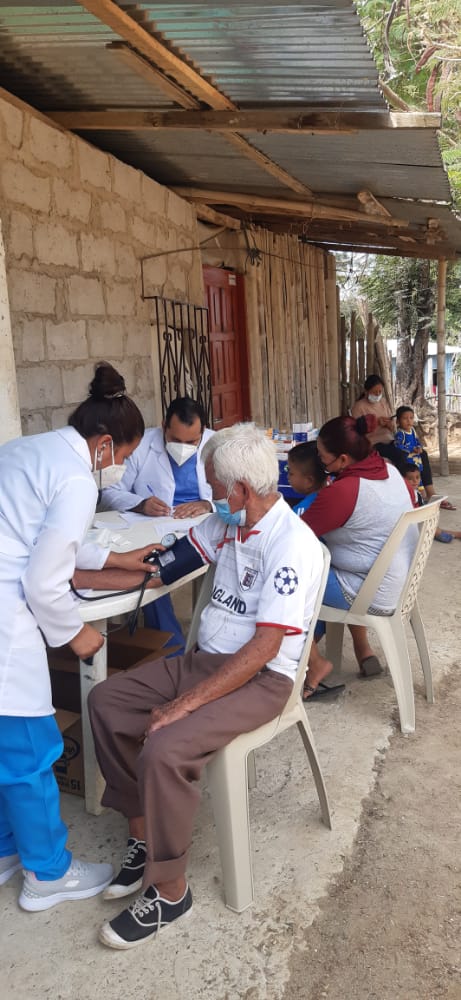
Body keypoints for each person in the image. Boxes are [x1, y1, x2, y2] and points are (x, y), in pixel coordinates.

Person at [87, 423, 324, 950]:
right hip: (207, 662)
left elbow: (265, 648)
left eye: (215, 487)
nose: (210, 496)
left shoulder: (292, 545)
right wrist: (85, 577)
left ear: (239, 490)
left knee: (165, 745)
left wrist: (183, 706)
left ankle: (170, 891)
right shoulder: (225, 524)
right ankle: (144, 835)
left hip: (262, 679)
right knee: (106, 700)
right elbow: (163, 569)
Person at [0, 362, 157, 913]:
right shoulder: (74, 478)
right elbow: (45, 579)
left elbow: (47, 537)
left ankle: (6, 849)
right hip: (6, 622)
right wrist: (76, 633)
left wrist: (115, 557)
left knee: (3, 748)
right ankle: (48, 874)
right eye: (124, 457)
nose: (120, 468)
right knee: (29, 749)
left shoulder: (29, 449)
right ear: (105, 443)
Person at [301, 414, 418, 696]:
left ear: (342, 460)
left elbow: (294, 537)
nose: (321, 463)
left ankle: (310, 662)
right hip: (398, 579)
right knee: (332, 562)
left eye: (322, 458)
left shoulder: (343, 492)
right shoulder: (389, 470)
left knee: (287, 577)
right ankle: (362, 648)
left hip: (370, 590)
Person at [100, 396, 215, 653]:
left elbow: (236, 494)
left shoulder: (217, 445)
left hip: (203, 527)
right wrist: (140, 504)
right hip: (154, 527)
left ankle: (211, 645)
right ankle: (172, 649)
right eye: (175, 440)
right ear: (163, 426)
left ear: (203, 432)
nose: (183, 448)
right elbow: (109, 492)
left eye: (191, 442)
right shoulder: (142, 446)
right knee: (151, 568)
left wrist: (208, 504)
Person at [395, 405, 455, 510]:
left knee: (420, 480)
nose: (408, 421)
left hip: (417, 462)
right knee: (413, 483)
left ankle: (427, 498)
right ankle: (418, 502)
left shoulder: (412, 430)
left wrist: (419, 447)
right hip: (409, 462)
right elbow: (397, 445)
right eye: (405, 418)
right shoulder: (400, 434)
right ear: (398, 421)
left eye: (411, 418)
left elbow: (417, 441)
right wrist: (411, 449)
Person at [351, 374, 407, 473]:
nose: (377, 395)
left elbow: (393, 427)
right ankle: (402, 480)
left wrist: (389, 424)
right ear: (366, 391)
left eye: (380, 392)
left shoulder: (383, 402)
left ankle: (424, 483)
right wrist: (376, 423)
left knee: (418, 453)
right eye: (374, 392)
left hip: (389, 440)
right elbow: (357, 432)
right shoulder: (359, 407)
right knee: (399, 456)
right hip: (372, 443)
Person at [403, 462, 461, 543]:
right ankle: (443, 534)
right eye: (410, 479)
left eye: (417, 477)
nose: (415, 481)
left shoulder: (416, 492)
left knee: (433, 526)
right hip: (411, 522)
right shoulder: (406, 494)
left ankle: (454, 534)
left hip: (418, 520)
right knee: (432, 528)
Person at [287, 441, 327, 517]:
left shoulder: (301, 512)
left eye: (291, 473)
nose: (288, 477)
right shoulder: (331, 497)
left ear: (309, 481)